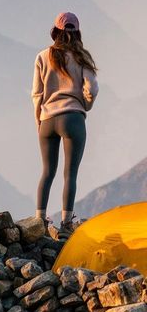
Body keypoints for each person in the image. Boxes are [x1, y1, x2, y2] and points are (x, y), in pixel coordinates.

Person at [32, 12, 99, 231]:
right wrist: (84, 106)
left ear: (55, 32)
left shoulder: (42, 56)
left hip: (47, 119)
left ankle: (39, 221)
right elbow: (92, 89)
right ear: (77, 32)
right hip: (73, 118)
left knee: (47, 171)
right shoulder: (82, 58)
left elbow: (36, 93)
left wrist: (39, 120)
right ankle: (66, 224)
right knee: (70, 173)